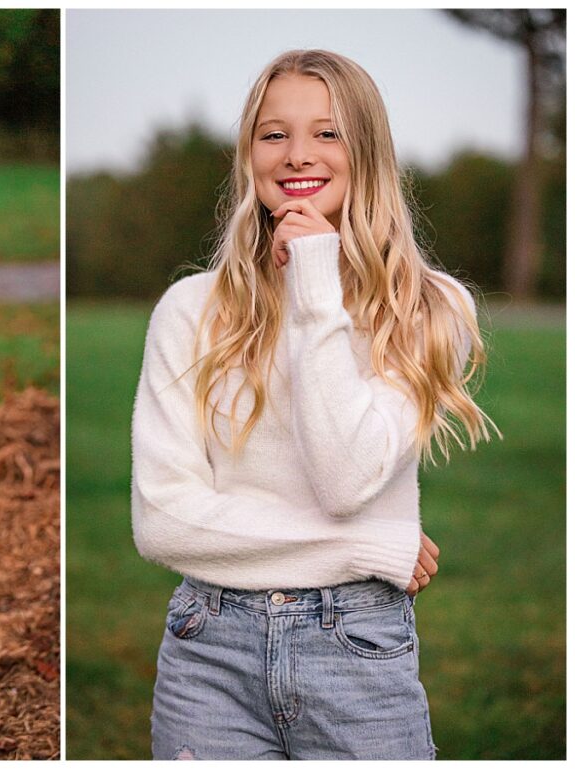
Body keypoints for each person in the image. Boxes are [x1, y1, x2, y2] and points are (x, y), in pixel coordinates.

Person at [131, 50, 497, 760]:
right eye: (274, 134)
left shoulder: (430, 309)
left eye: (327, 133)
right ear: (248, 153)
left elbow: (346, 474)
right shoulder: (188, 310)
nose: (298, 154)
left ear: (367, 149)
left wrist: (316, 283)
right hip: (207, 649)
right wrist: (362, 546)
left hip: (357, 646)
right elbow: (164, 518)